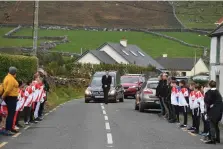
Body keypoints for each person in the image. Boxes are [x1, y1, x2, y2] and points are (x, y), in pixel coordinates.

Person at [1, 67, 19, 135]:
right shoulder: (11, 79)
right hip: (11, 97)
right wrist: (3, 96)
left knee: (11, 114)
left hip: (10, 97)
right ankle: (8, 129)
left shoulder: (7, 77)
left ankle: (10, 128)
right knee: (11, 114)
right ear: (14, 72)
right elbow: (8, 90)